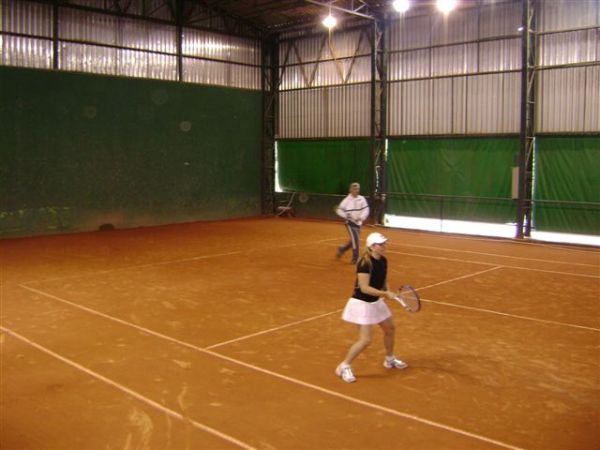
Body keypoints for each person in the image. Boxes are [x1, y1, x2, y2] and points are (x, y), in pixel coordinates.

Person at [335, 232, 407, 383]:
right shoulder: (364, 263)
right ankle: (344, 366)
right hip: (362, 304)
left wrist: (388, 290)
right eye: (381, 244)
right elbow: (364, 288)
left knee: (390, 329)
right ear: (372, 246)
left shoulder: (383, 260)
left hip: (375, 302)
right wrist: (385, 294)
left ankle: (389, 359)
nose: (384, 246)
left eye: (385, 243)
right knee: (365, 340)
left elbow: (383, 280)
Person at [335, 182, 370, 264]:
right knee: (356, 239)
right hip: (350, 223)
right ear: (350, 190)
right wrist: (346, 216)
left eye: (357, 189)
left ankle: (342, 249)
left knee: (353, 241)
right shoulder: (346, 200)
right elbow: (338, 210)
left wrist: (361, 217)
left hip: (359, 223)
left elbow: (366, 210)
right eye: (354, 189)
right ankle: (355, 258)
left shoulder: (362, 199)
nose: (356, 190)